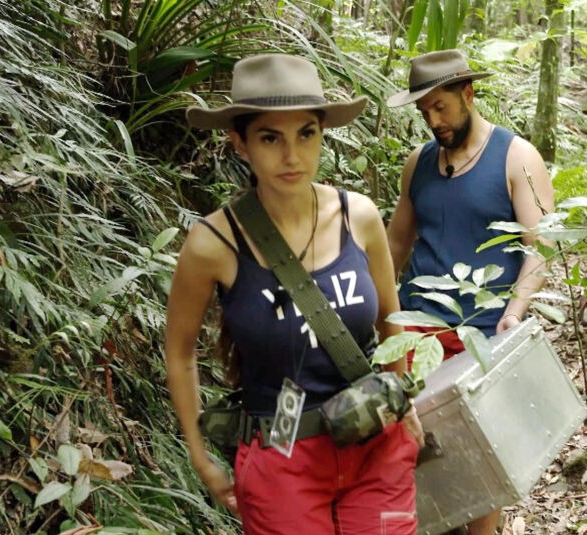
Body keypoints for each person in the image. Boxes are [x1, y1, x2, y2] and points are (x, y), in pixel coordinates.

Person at [165, 54, 423, 535]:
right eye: (270, 138)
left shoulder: (359, 216)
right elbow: (179, 355)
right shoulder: (213, 244)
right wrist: (200, 457)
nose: (292, 155)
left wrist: (403, 400)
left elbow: (391, 317)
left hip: (375, 444)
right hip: (281, 460)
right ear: (239, 143)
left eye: (307, 134)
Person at [386, 49, 555, 534]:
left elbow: (541, 247)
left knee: (482, 456)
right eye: (424, 112)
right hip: (416, 328)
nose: (433, 121)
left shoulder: (516, 157)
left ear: (468, 93)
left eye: (440, 107)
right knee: (410, 450)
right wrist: (377, 313)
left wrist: (514, 311)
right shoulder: (418, 163)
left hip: (482, 330)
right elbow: (395, 244)